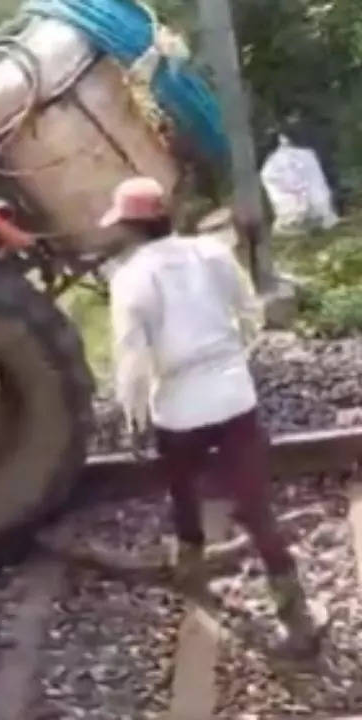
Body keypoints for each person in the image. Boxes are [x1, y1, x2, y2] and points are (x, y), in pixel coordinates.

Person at [103, 176, 325, 658]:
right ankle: (295, 615)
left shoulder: (129, 279)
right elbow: (249, 311)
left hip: (179, 405)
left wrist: (134, 417)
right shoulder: (211, 252)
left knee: (182, 487)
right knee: (255, 505)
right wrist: (234, 355)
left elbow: (131, 359)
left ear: (129, 228)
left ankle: (190, 563)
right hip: (232, 395)